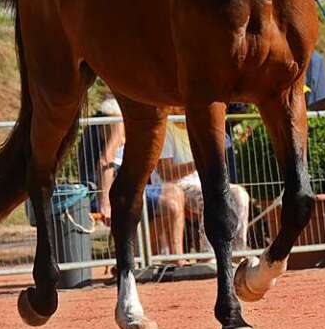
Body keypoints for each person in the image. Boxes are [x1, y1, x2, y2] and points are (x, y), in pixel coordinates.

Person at [90, 96, 187, 257]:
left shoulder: (130, 133)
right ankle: (174, 259)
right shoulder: (118, 123)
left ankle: (158, 256)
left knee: (175, 197)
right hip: (122, 190)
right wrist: (105, 203)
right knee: (173, 197)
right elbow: (106, 161)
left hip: (135, 187)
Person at [157, 114, 251, 258]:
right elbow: (166, 173)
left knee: (241, 195)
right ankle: (208, 255)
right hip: (179, 186)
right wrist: (198, 163)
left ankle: (238, 253)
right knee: (210, 196)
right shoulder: (168, 129)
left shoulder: (200, 127)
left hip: (205, 183)